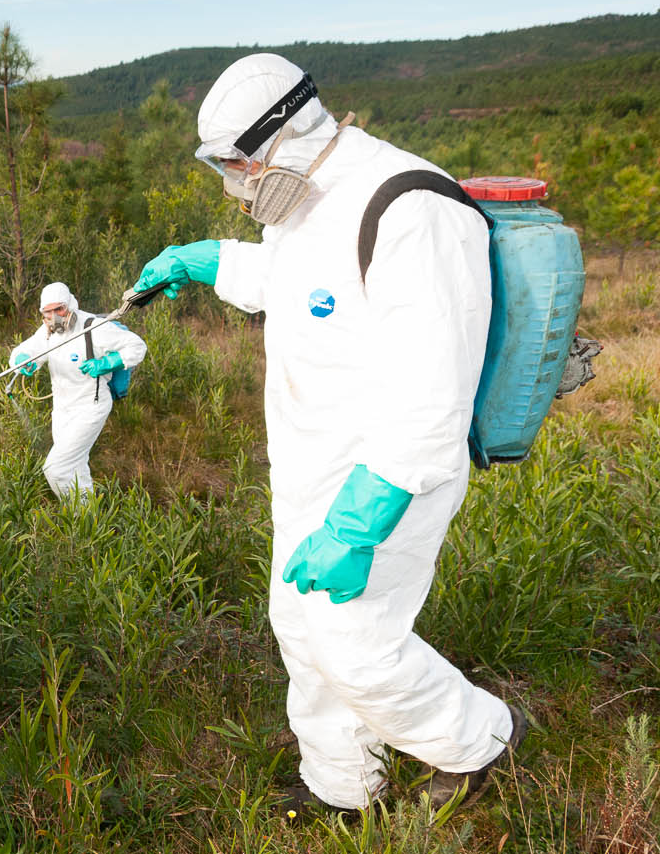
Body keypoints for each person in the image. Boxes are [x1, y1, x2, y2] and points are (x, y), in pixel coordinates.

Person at [130, 53, 525, 817]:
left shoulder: (412, 207)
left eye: (237, 164)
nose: (235, 182)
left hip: (389, 476)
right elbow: (305, 286)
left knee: (357, 647)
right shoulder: (309, 193)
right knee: (301, 629)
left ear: (285, 132)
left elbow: (432, 392)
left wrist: (359, 521)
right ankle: (344, 785)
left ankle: (482, 742)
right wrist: (208, 262)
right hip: (310, 464)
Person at [9, 282, 147, 498]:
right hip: (62, 410)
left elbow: (137, 346)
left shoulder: (94, 327)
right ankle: (87, 513)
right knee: (75, 466)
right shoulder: (47, 332)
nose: (54, 317)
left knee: (56, 469)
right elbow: (27, 350)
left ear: (70, 305)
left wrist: (108, 363)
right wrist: (22, 361)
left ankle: (74, 511)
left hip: (90, 407)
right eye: (48, 312)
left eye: (59, 309)